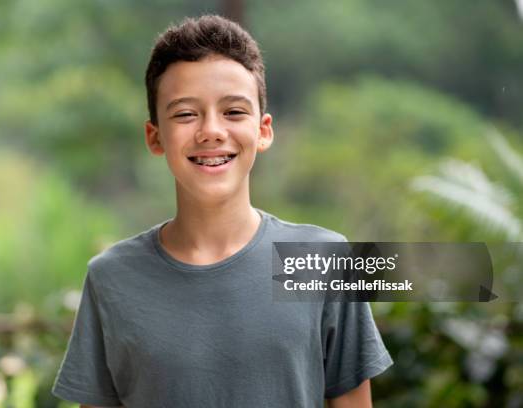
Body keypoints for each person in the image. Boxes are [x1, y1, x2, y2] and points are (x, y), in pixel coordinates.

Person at [52, 14, 392, 408]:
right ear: (155, 136)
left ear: (263, 130)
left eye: (233, 112)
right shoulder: (111, 277)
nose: (211, 131)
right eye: (184, 114)